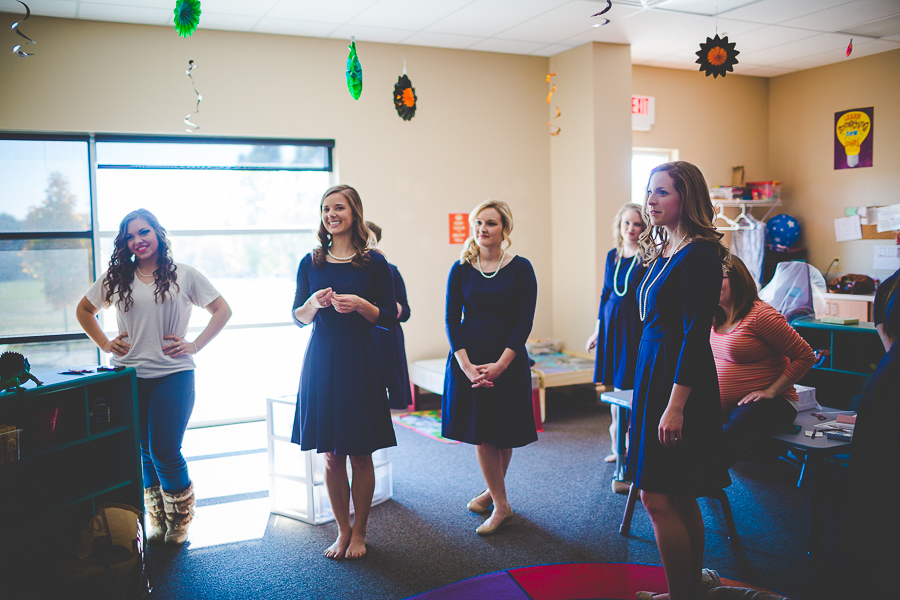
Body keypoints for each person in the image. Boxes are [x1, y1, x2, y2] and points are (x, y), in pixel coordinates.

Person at [76, 209, 231, 546]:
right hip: (128, 374)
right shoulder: (117, 277)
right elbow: (84, 310)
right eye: (130, 236)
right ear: (124, 242)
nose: (138, 240)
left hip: (172, 373)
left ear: (158, 234)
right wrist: (105, 342)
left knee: (164, 449)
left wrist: (195, 345)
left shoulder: (184, 275)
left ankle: (181, 518)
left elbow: (222, 310)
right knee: (142, 451)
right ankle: (157, 515)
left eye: (143, 232)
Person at [629, 162, 730, 600]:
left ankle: (683, 593)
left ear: (686, 198)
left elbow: (693, 335)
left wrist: (676, 405)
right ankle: (687, 590)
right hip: (655, 372)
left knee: (657, 496)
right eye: (650, 192)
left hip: (679, 380)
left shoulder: (702, 252)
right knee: (677, 492)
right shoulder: (666, 247)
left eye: (662, 193)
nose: (651, 200)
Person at [291, 185, 397, 559]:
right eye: (325, 209)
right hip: (321, 359)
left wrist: (363, 305)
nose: (331, 214)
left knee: (359, 453)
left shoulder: (374, 263)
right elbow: (297, 318)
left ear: (354, 212)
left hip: (359, 359)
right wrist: (311, 304)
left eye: (338, 207)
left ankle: (361, 532)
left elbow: (389, 316)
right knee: (331, 455)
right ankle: (342, 529)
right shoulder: (311, 261)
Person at [442, 199, 538, 535]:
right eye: (479, 223)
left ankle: (492, 494)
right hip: (470, 356)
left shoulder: (521, 268)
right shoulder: (461, 268)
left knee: (504, 430)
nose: (483, 229)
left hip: (507, 357)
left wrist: (501, 365)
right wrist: (467, 366)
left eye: (491, 223)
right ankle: (501, 504)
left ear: (505, 229)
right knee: (483, 434)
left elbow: (524, 321)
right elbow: (452, 320)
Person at [710, 255, 815, 468]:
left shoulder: (761, 315)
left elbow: (805, 355)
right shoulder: (713, 316)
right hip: (728, 404)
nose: (710, 283)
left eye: (718, 277)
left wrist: (771, 392)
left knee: (738, 424)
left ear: (738, 279)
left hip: (773, 403)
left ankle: (697, 482)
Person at [838, 270, 899, 599]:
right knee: (878, 476)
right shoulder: (896, 278)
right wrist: (889, 345)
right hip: (891, 383)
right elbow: (884, 300)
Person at [586, 202, 647, 477]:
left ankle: (634, 450)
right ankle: (617, 448)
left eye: (637, 224)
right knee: (614, 394)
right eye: (627, 223)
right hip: (611, 329)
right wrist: (598, 331)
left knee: (631, 391)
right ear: (619, 226)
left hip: (634, 331)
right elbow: (604, 295)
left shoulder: (648, 256)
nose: (631, 229)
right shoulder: (613, 255)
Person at [366, 221, 413, 410]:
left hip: (386, 336)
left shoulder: (390, 270)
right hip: (360, 335)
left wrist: (387, 306)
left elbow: (406, 312)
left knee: (385, 398)